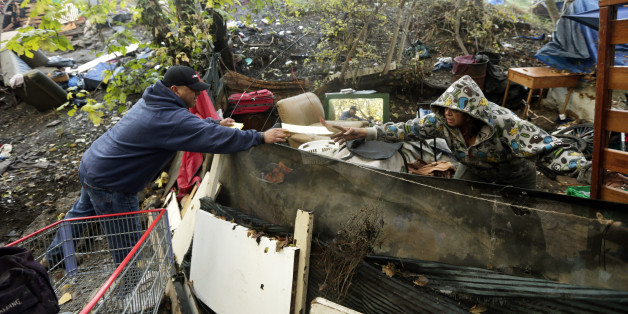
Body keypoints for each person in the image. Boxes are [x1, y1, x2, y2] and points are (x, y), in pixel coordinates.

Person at [44, 65, 288, 269]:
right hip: (113, 183)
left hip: (94, 163)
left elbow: (187, 125)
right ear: (176, 89)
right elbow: (209, 138)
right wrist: (260, 137)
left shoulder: (155, 99)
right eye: (193, 91)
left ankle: (54, 258)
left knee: (79, 216)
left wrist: (214, 122)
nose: (197, 95)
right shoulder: (169, 117)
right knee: (126, 244)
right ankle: (131, 293)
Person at [332, 75, 591, 189]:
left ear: (472, 113)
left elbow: (548, 148)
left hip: (514, 176)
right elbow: (406, 129)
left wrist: (583, 169)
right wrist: (364, 133)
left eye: (453, 110)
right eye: (444, 109)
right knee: (460, 205)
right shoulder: (442, 122)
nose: (447, 113)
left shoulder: (504, 123)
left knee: (523, 223)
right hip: (475, 170)